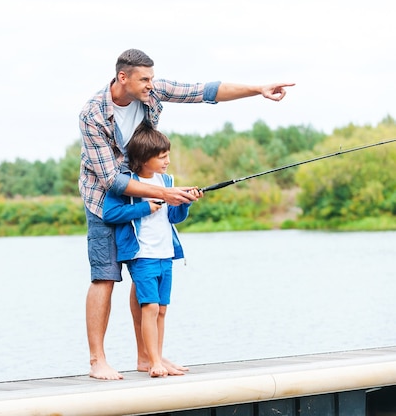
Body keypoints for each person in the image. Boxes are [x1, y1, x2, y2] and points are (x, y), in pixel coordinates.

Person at [79, 48, 294, 380]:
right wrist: (165, 192)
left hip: (149, 192)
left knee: (144, 270)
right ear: (124, 78)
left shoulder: (151, 91)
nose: (152, 84)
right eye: (145, 79)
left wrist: (258, 89)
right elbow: (111, 180)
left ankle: (148, 357)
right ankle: (98, 361)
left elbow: (205, 91)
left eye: (152, 78)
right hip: (104, 201)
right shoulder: (93, 114)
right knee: (105, 277)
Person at [103, 123, 195, 377]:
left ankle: (157, 358)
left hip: (166, 255)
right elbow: (110, 213)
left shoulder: (167, 181)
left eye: (168, 155)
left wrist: (185, 203)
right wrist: (145, 207)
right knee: (150, 307)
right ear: (144, 159)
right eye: (162, 156)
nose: (168, 160)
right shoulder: (127, 183)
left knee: (162, 309)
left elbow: (173, 217)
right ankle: (152, 361)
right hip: (142, 255)